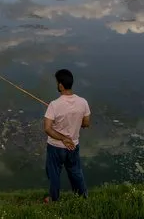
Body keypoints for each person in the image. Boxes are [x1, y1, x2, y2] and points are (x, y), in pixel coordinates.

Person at [43, 68, 90, 202]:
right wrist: (74, 119)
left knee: (54, 174)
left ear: (61, 85)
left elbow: (47, 128)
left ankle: (54, 199)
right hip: (73, 145)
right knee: (76, 172)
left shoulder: (54, 105)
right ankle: (82, 197)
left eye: (57, 82)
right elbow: (86, 123)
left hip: (55, 147)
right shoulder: (83, 102)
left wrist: (63, 138)